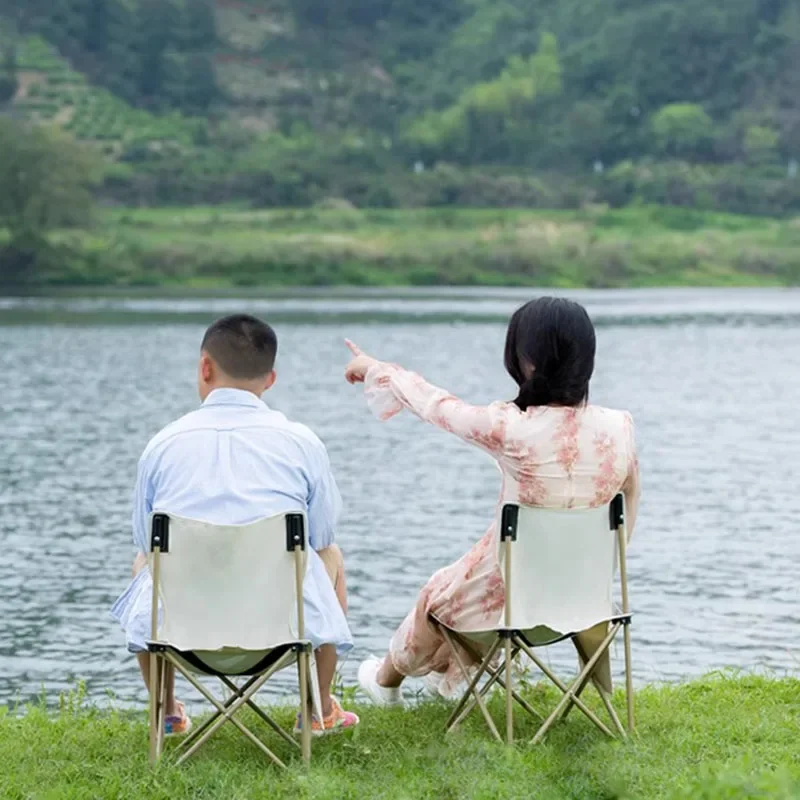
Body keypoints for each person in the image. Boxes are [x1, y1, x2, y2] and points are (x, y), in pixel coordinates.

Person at [345, 296, 640, 704]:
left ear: (526, 360)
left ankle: (386, 682)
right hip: (586, 600)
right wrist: (603, 558)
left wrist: (377, 370)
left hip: (515, 605)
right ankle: (455, 678)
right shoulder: (619, 426)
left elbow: (435, 405)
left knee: (438, 595)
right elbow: (630, 496)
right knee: (466, 582)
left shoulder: (509, 427)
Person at [111, 314, 359, 735]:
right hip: (279, 631)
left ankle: (166, 711)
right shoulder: (301, 443)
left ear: (205, 367)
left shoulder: (163, 445)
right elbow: (321, 535)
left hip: (183, 634)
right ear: (271, 378)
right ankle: (317, 709)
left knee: (144, 560)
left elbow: (144, 540)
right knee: (328, 552)